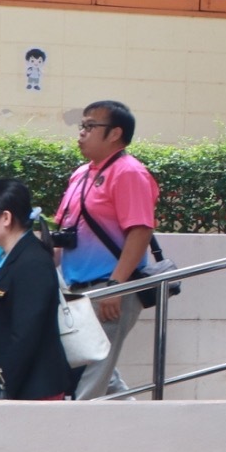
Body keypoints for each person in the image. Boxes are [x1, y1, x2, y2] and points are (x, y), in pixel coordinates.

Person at [54, 99, 160, 400]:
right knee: (100, 369)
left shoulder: (129, 172)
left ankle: (75, 424)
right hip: (76, 290)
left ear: (115, 133)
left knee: (94, 372)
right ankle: (137, 420)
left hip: (109, 289)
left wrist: (116, 286)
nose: (81, 133)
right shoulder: (81, 174)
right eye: (82, 126)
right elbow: (65, 232)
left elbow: (140, 231)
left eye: (90, 126)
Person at [0, 179, 72, 400]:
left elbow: (25, 335)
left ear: (5, 218)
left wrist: (3, 387)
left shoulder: (32, 261)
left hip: (33, 391)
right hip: (20, 388)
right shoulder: (15, 257)